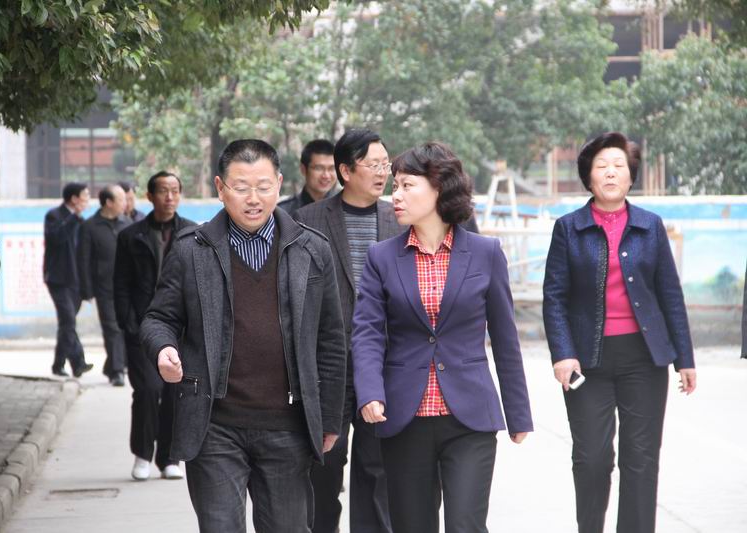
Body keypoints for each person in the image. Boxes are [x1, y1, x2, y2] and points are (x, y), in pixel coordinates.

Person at [140, 139, 346, 532]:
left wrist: (331, 417)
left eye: (264, 187)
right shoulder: (191, 250)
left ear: (279, 184)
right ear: (220, 188)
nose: (254, 198)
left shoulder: (311, 250)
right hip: (214, 425)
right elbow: (158, 318)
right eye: (241, 187)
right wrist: (163, 348)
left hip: (288, 427)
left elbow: (331, 341)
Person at [351, 142, 532, 533]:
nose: (395, 196)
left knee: (466, 525)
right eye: (395, 186)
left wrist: (518, 412)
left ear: (438, 188)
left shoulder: (485, 253)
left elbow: (505, 338)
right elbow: (367, 331)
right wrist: (369, 390)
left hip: (470, 417)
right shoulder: (381, 257)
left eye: (406, 185)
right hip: (404, 416)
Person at [542, 132, 697, 533]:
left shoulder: (650, 226)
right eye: (602, 166)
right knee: (591, 458)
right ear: (588, 176)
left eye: (618, 166)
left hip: (644, 359)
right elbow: (554, 297)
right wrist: (562, 353)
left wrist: (685, 359)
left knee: (641, 459)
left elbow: (669, 294)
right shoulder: (568, 228)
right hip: (586, 360)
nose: (610, 173)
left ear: (631, 176)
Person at [294, 128, 402, 533]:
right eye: (373, 165)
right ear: (345, 170)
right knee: (323, 468)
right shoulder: (308, 220)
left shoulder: (399, 218)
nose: (383, 173)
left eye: (385, 164)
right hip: (329, 367)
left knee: (378, 471)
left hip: (384, 365)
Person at [114, 171, 195, 481]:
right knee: (147, 391)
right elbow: (120, 284)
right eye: (163, 191)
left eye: (175, 190)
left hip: (180, 329)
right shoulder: (131, 236)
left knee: (175, 392)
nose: (169, 197)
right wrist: (128, 322)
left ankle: (170, 458)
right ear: (150, 196)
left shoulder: (192, 233)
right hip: (142, 327)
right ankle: (142, 453)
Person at [77, 184, 131, 386]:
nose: (125, 203)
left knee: (125, 327)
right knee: (112, 327)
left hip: (128, 286)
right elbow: (83, 259)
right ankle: (117, 371)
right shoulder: (90, 227)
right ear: (108, 202)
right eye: (121, 199)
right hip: (104, 287)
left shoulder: (127, 223)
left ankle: (112, 365)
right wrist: (86, 289)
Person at [43, 182, 94, 378]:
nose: (87, 200)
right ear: (74, 199)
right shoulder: (54, 216)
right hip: (58, 279)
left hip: (76, 280)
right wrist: (73, 217)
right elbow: (56, 238)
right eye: (85, 196)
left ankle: (64, 364)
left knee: (67, 323)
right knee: (68, 320)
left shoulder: (81, 221)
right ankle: (74, 363)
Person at [278, 139, 338, 214]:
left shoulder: (346, 210)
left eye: (332, 168)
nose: (326, 176)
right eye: (319, 168)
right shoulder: (283, 212)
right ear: (303, 169)